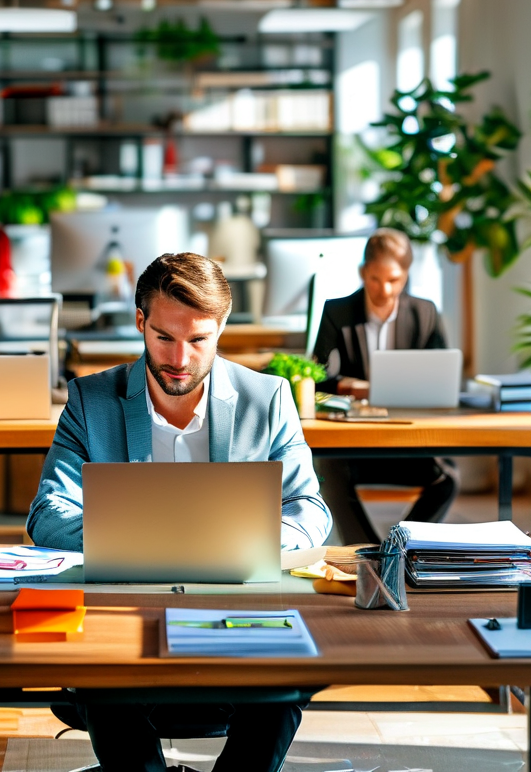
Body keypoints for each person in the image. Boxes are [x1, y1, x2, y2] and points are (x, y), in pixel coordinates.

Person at [28, 252, 331, 772]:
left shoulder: (269, 398)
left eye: (199, 340)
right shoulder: (90, 399)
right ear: (141, 321)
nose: (181, 358)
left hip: (237, 609)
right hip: (121, 612)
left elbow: (309, 509)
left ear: (221, 329)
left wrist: (247, 541)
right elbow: (48, 513)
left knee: (285, 682)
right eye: (165, 337)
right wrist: (142, 544)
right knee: (103, 677)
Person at [311, 227, 458, 544]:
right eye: (375, 279)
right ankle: (367, 553)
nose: (384, 289)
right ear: (363, 272)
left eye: (393, 280)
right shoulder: (337, 312)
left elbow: (440, 376)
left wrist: (365, 385)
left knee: (447, 479)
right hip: (354, 442)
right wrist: (366, 388)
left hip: (406, 438)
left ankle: (395, 548)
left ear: (405, 276)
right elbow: (320, 376)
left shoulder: (425, 312)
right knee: (330, 474)